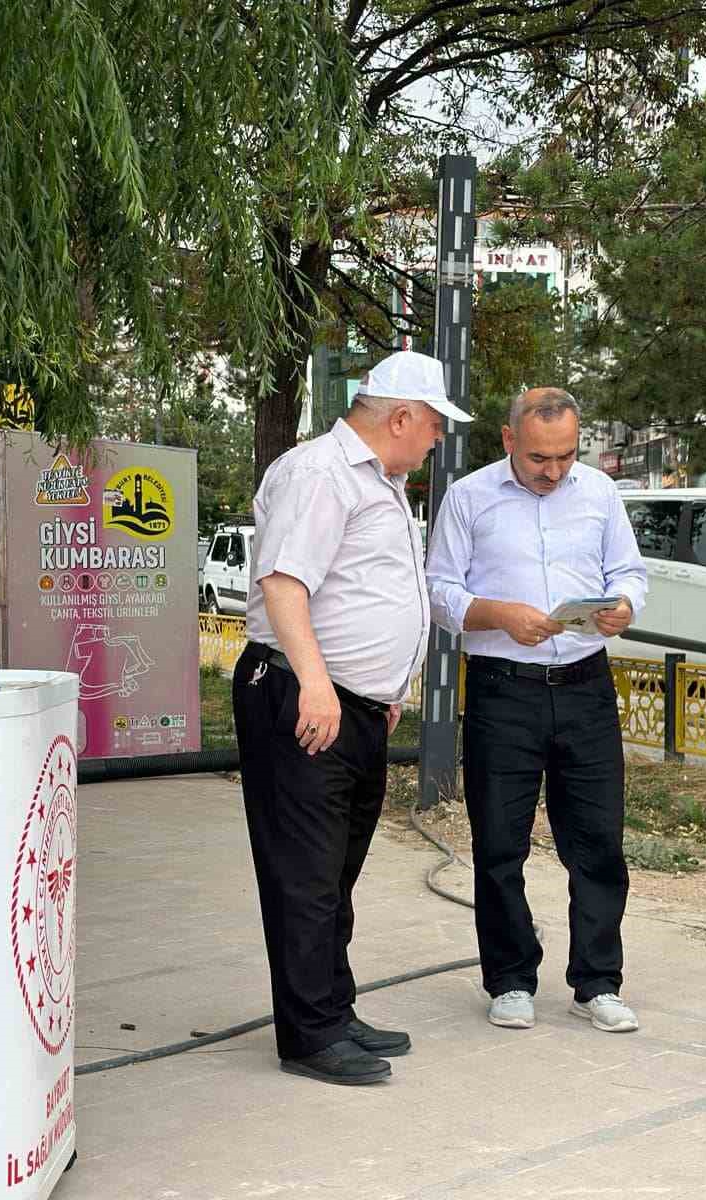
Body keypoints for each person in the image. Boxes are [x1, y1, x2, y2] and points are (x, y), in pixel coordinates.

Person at [233, 349, 471, 1085]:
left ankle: (331, 1007)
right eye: (433, 426)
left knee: (336, 870)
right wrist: (316, 684)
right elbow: (284, 583)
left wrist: (387, 686)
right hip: (307, 698)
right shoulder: (320, 473)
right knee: (305, 873)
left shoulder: (381, 481)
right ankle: (308, 1033)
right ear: (401, 416)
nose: (436, 440)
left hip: (353, 706)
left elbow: (366, 590)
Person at [425, 386, 647, 1033]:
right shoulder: (469, 498)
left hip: (585, 687)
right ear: (508, 440)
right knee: (499, 842)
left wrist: (624, 606)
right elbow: (439, 591)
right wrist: (498, 614)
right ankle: (511, 977)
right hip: (502, 689)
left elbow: (630, 572)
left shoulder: (599, 494)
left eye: (566, 457)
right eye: (539, 458)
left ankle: (598, 982)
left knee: (599, 840)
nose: (553, 471)